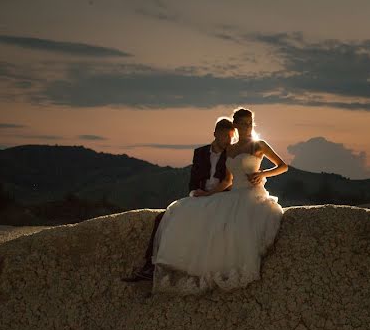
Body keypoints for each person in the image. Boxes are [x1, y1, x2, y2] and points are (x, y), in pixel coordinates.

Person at [151, 107, 288, 295]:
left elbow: (283, 166)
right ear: (236, 125)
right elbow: (227, 181)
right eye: (243, 124)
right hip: (233, 194)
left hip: (252, 194)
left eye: (250, 123)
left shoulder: (259, 145)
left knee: (239, 229)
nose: (248, 127)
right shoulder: (230, 150)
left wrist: (263, 173)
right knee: (201, 217)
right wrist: (208, 195)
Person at [120, 117, 235, 282]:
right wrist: (196, 193)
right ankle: (149, 266)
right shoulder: (200, 153)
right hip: (200, 196)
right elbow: (193, 181)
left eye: (231, 136)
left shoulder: (231, 153)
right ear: (215, 133)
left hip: (221, 197)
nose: (229, 140)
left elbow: (229, 182)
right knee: (163, 218)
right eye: (225, 136)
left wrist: (209, 195)